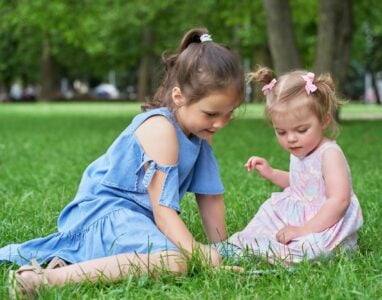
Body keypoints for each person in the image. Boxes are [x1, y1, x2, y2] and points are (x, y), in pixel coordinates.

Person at [1, 28, 245, 298]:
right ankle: (43, 279)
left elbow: (209, 197)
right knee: (174, 261)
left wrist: (220, 249)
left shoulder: (200, 135)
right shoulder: (161, 129)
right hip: (105, 214)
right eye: (211, 113)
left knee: (176, 256)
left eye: (229, 114)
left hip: (134, 220)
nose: (220, 123)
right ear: (179, 97)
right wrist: (198, 254)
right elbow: (163, 212)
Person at [224, 67, 363, 264]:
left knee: (311, 247)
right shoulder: (300, 149)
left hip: (326, 221)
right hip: (299, 214)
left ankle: (285, 255)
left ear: (324, 120)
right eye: (281, 132)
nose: (291, 139)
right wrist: (271, 173)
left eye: (301, 130)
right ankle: (244, 247)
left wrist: (303, 230)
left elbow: (339, 201)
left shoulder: (330, 154)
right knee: (267, 215)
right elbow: (302, 182)